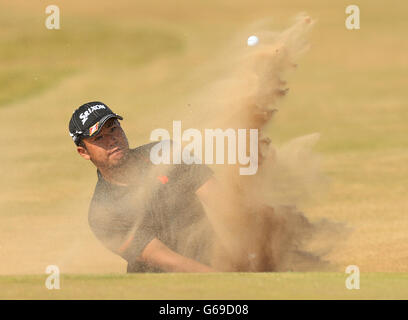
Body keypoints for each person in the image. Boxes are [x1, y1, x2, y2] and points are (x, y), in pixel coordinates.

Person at [68, 101, 217, 272]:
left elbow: (223, 203)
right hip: (164, 286)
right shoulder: (102, 214)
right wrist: (224, 279)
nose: (112, 140)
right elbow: (168, 260)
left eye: (113, 129)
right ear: (84, 152)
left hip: (215, 259)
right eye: (99, 138)